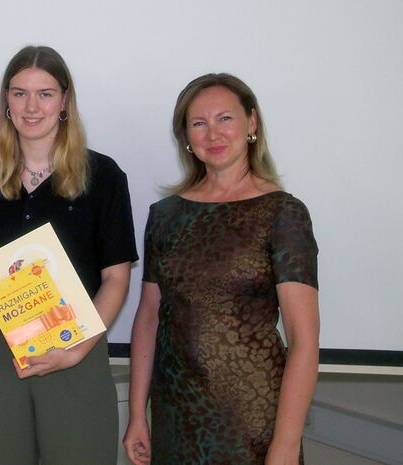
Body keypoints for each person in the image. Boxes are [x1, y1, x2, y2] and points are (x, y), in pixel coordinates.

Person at [123, 73, 320, 465]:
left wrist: (284, 446)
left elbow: (304, 341)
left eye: (224, 118)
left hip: (254, 425)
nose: (213, 133)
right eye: (199, 123)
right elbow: (148, 318)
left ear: (251, 122)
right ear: (186, 137)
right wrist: (135, 415)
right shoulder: (165, 216)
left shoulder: (283, 213)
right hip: (175, 420)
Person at [0, 45, 137, 465]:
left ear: (64, 101)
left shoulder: (104, 176)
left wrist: (76, 350)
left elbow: (116, 279)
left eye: (45, 94)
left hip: (75, 345)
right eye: (19, 93)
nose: (31, 106)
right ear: (6, 101)